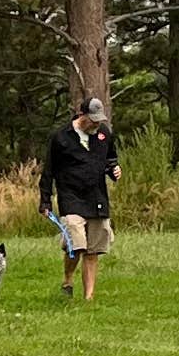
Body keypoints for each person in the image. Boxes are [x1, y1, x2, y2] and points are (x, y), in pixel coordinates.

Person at [39, 93, 119, 302]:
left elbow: (111, 159)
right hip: (71, 197)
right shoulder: (61, 137)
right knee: (77, 245)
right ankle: (68, 278)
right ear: (81, 115)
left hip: (97, 197)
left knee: (92, 251)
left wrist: (114, 170)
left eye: (99, 120)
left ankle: (88, 298)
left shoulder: (104, 134)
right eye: (92, 120)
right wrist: (45, 200)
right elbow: (48, 171)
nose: (96, 124)